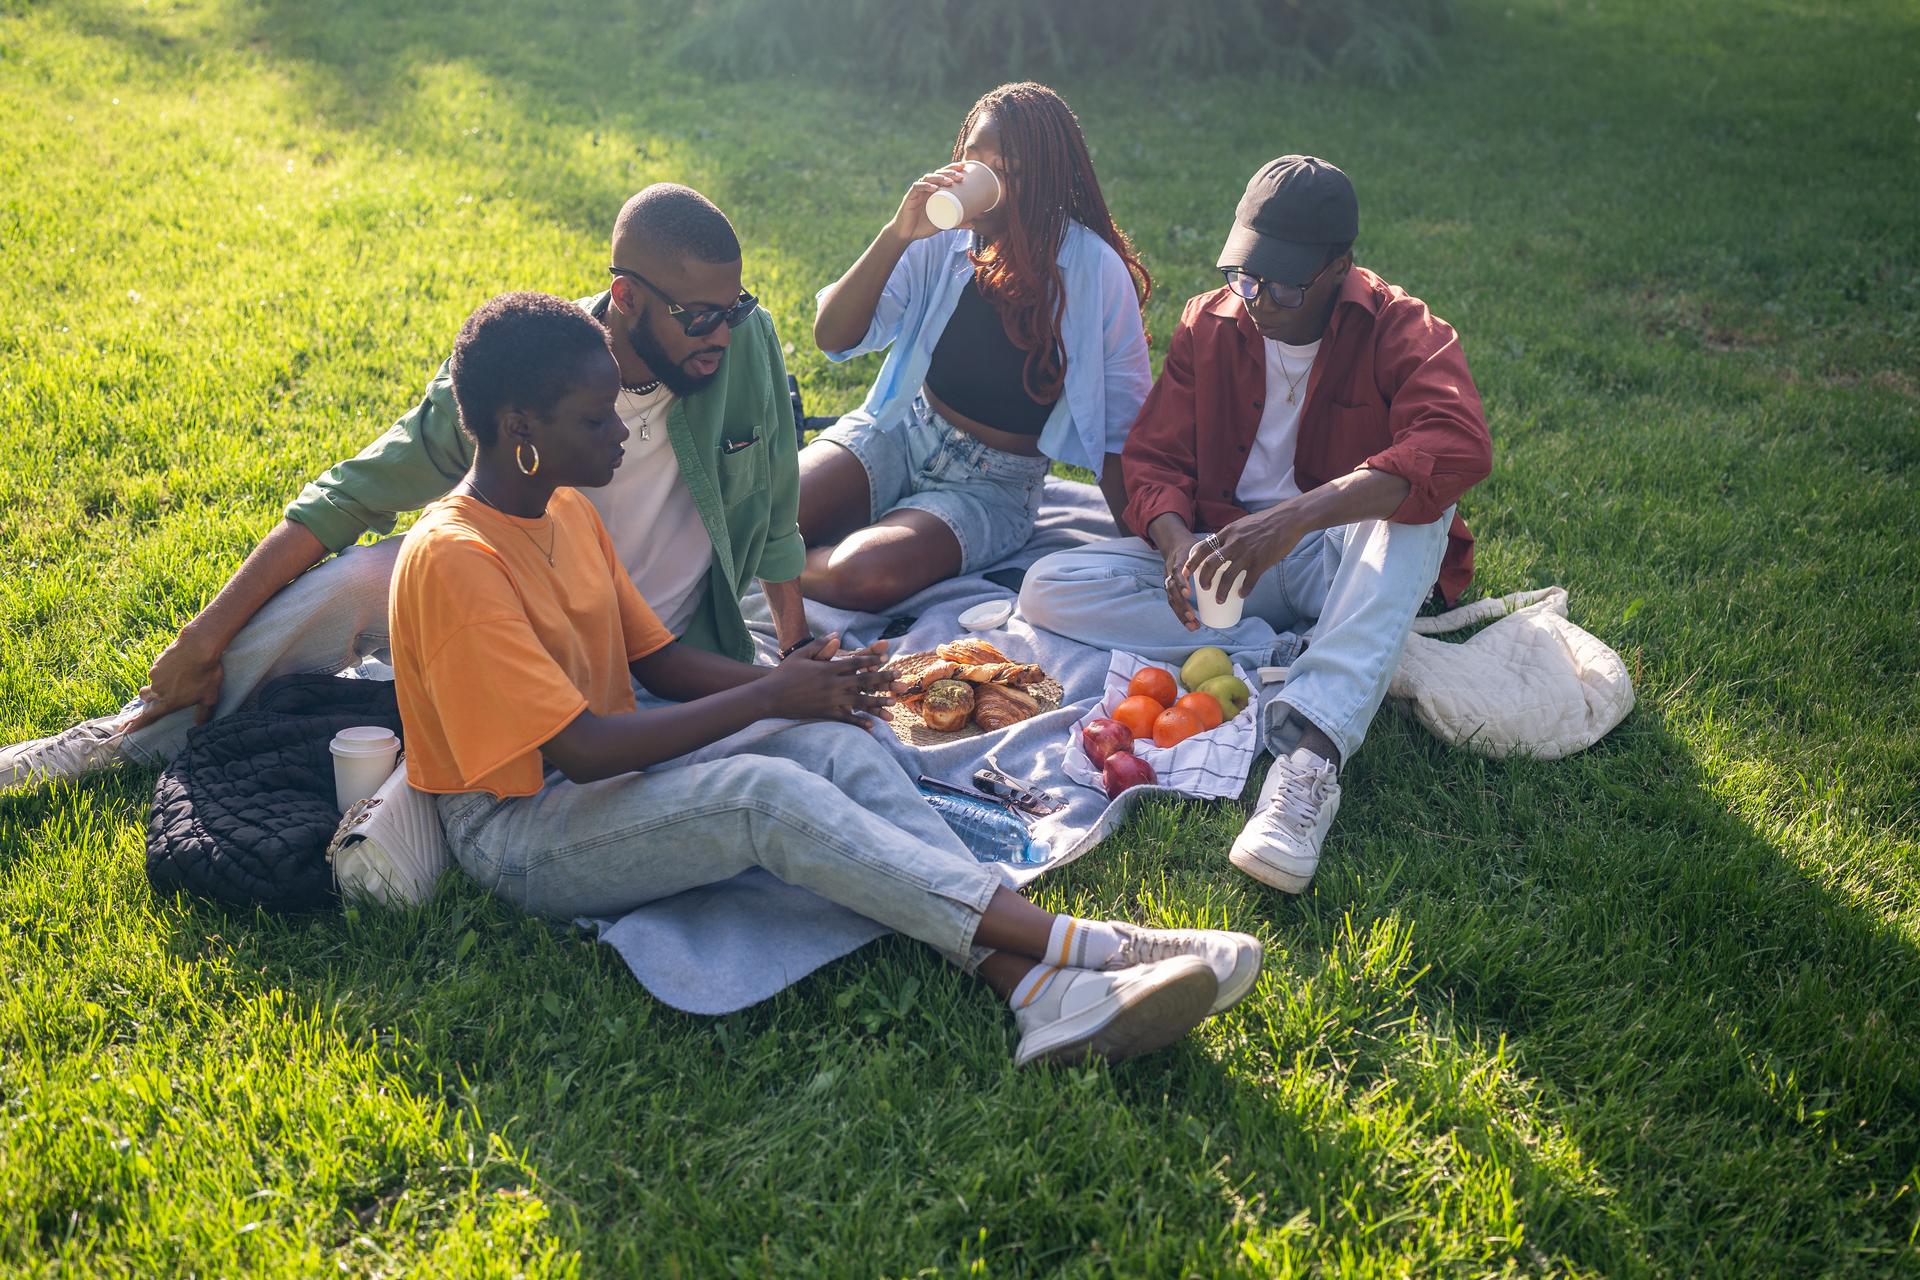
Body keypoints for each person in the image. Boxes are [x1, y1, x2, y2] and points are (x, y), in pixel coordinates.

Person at [397, 292, 1264, 1066]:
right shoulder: (456, 559)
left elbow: (654, 661)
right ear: (519, 429)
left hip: (607, 774)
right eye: (596, 420)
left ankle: (1035, 990)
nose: (621, 432)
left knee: (831, 748)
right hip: (519, 829)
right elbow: (581, 749)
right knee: (762, 798)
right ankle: (1102, 948)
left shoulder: (564, 508)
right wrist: (765, 695)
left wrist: (797, 683)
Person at [2, 184, 814, 794]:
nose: (723, 332)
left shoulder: (746, 343)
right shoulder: (528, 369)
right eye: (699, 316)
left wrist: (796, 644)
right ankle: (133, 735)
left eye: (734, 307)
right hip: (506, 601)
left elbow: (777, 507)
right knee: (364, 575)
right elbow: (348, 497)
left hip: (656, 651)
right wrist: (202, 636)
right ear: (627, 297)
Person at [1019, 157, 1493, 895]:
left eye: (1284, 285)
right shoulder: (1209, 323)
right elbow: (1154, 459)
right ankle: (1287, 655)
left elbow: (1458, 445)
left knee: (1421, 508)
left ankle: (1309, 757)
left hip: (1339, 559)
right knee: (1049, 586)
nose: (1260, 301)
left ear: (1340, 268)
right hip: (1235, 560)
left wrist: (1294, 518)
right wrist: (1177, 545)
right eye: (1246, 276)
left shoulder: (1402, 328)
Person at [799, 82, 1153, 613]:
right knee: (768, 514)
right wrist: (897, 234)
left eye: (1005, 170)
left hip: (990, 487)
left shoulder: (1094, 272)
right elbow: (833, 337)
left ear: (1047, 179)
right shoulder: (939, 237)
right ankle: (773, 552)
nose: (981, 178)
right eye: (972, 159)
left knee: (860, 576)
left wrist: (1147, 555)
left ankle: (773, 565)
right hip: (900, 430)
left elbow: (1121, 426)